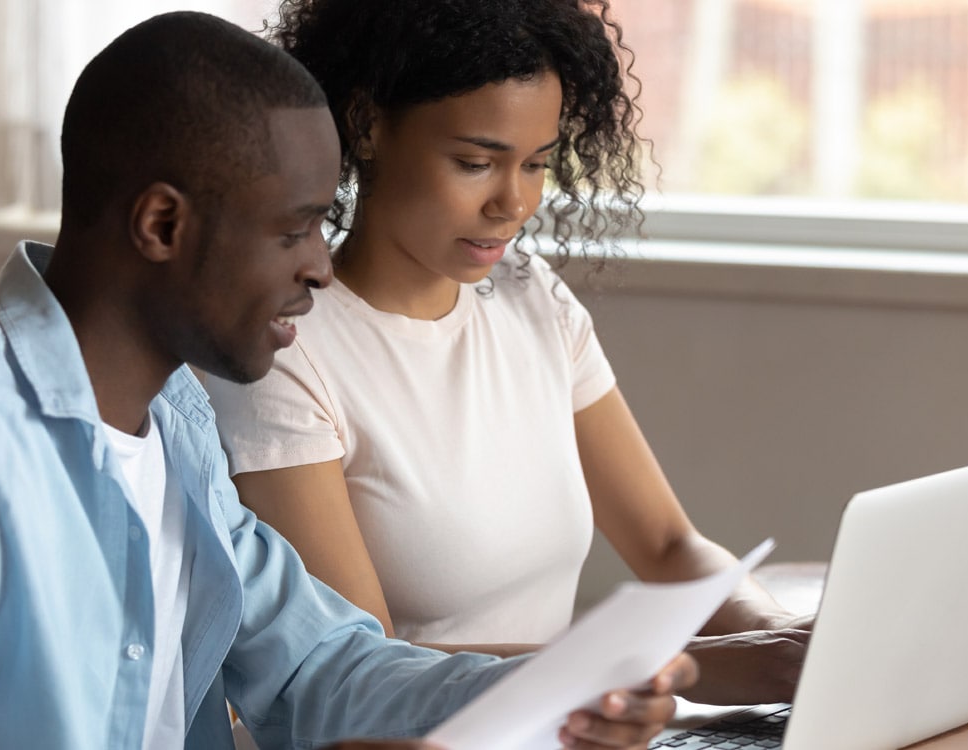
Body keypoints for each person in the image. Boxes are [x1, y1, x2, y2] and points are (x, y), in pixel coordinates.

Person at [0, 11, 698, 750]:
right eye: (292, 230)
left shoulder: (176, 433)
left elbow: (321, 665)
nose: (320, 267)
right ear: (161, 225)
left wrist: (565, 689)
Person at [204, 0, 812, 708]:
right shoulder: (285, 352)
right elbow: (361, 665)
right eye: (474, 163)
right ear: (367, 125)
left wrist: (781, 637)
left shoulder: (530, 295)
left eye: (535, 165)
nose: (512, 203)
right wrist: (686, 666)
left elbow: (670, 545)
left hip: (569, 724)